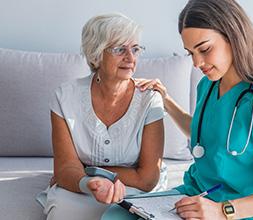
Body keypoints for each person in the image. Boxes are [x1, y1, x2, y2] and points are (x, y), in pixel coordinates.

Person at [136, 0, 253, 219]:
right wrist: (166, 99)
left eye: (204, 49)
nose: (197, 63)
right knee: (116, 214)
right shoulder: (207, 85)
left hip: (238, 211)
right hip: (194, 197)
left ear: (233, 36)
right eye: (190, 53)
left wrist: (221, 211)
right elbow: (204, 134)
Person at [36, 13, 165, 220]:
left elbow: (147, 178)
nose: (131, 58)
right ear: (96, 54)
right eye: (119, 49)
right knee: (63, 213)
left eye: (135, 49)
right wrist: (89, 182)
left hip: (135, 191)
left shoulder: (149, 100)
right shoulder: (65, 96)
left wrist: (87, 170)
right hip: (83, 188)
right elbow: (65, 169)